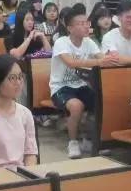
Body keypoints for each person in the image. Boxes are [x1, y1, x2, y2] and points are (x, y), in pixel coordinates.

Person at [50, 9, 120, 159]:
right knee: (77, 106)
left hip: (81, 85)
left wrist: (108, 59)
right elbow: (71, 62)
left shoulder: (89, 42)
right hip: (61, 87)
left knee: (102, 103)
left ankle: (89, 140)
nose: (86, 26)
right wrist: (99, 61)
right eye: (81, 23)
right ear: (70, 28)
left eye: (87, 23)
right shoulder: (62, 42)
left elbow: (102, 58)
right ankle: (73, 142)